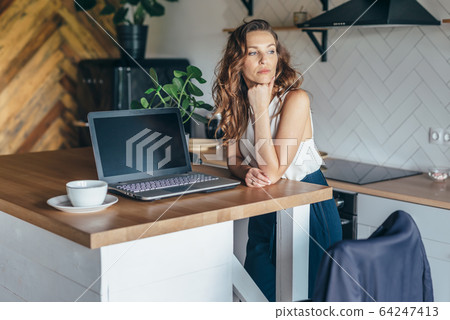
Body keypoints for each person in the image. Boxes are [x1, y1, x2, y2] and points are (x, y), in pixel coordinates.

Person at [211, 19, 342, 301]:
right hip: (266, 210)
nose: (264, 60)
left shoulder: (296, 100)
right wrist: (245, 171)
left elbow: (271, 172)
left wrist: (260, 107)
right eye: (253, 52)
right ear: (237, 60)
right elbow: (232, 160)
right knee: (257, 296)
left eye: (270, 51)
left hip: (306, 208)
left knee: (304, 302)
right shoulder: (236, 103)